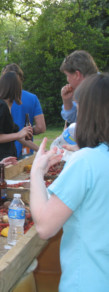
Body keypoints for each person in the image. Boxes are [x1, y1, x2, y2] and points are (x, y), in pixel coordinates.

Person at [30, 73, 109, 292]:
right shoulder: (92, 158)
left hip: (87, 282)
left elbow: (45, 227)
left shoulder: (86, 162)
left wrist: (37, 173)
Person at [0, 63, 45, 158]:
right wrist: (18, 134)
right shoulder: (0, 106)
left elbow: (19, 137)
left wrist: (42, 151)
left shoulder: (5, 106)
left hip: (8, 159)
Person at [59, 50, 98, 125]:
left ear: (77, 75)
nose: (67, 80)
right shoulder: (82, 90)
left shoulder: (102, 89)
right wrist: (67, 102)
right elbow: (73, 120)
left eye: (67, 75)